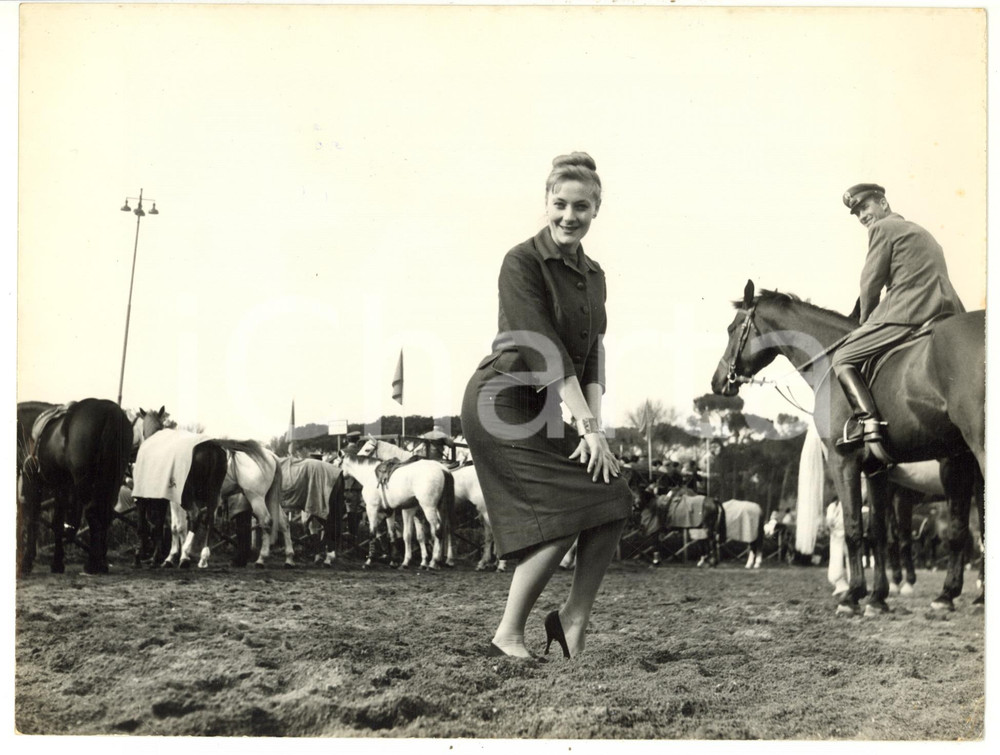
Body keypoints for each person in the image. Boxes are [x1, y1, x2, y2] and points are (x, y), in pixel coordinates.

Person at [460, 151, 632, 661]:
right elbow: (543, 347)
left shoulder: (594, 275)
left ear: (596, 209)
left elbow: (591, 354)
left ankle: (572, 619)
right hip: (501, 401)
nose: (569, 216)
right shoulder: (521, 261)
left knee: (613, 494)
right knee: (567, 509)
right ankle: (508, 635)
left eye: (581, 207)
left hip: (551, 406)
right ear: (546, 202)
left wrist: (595, 429)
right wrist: (587, 426)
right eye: (560, 204)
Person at [833, 184, 965, 450]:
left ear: (883, 203)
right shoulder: (920, 231)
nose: (862, 216)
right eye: (857, 213)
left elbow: (870, 284)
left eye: (865, 207)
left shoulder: (882, 229)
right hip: (946, 310)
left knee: (841, 357)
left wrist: (865, 322)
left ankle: (867, 421)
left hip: (908, 311)